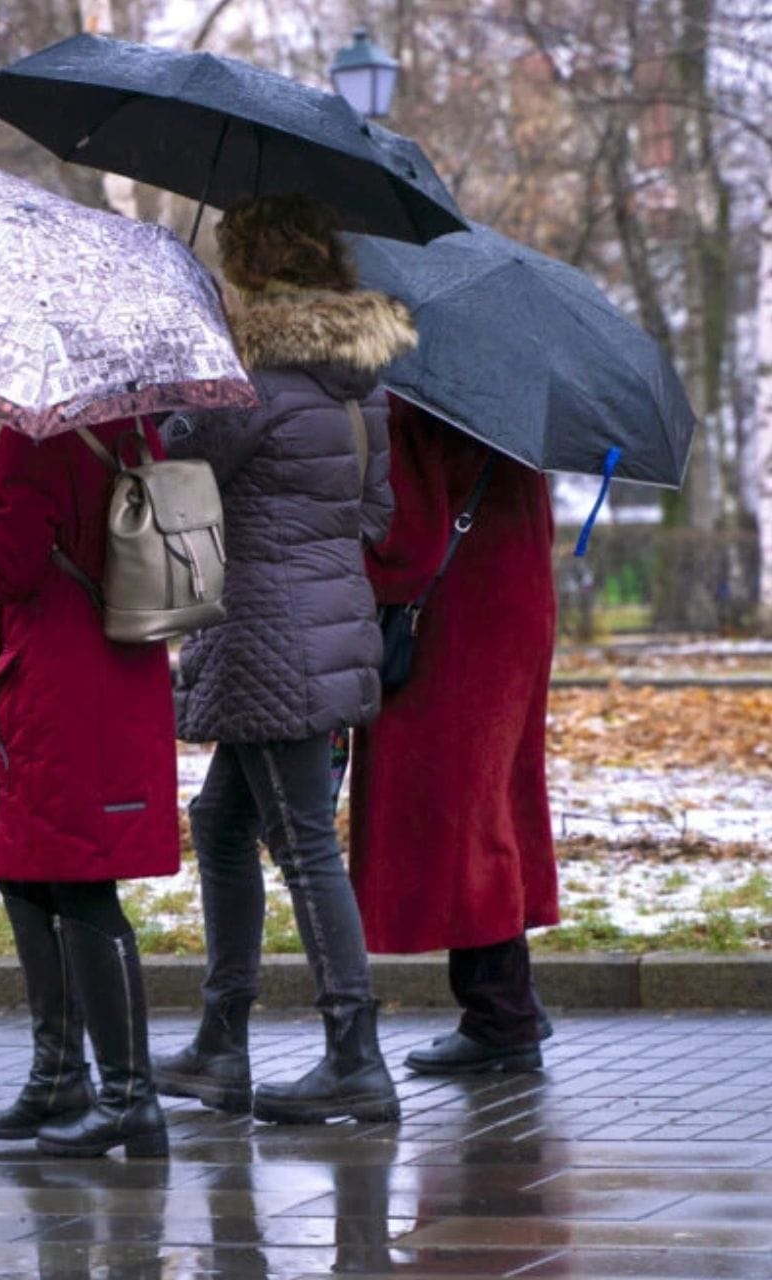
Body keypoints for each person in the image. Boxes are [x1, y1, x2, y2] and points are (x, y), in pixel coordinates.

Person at [153, 193, 417, 1124]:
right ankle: (222, 1044)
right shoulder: (363, 387)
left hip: (265, 633)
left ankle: (355, 1054)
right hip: (329, 625)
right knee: (224, 824)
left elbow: (175, 468)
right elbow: (374, 520)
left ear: (255, 270)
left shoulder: (251, 382)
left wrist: (182, 369)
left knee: (303, 845)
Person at [0, 416, 179, 1157]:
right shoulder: (135, 422)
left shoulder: (33, 437)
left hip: (64, 686)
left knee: (77, 881)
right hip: (109, 673)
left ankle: (129, 1095)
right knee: (23, 869)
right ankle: (59, 1075)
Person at [349, 396, 559, 1074]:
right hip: (512, 601)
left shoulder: (423, 405)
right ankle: (505, 1000)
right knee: (493, 804)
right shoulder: (512, 406)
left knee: (458, 817)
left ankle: (502, 1015)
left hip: (451, 627)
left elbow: (407, 549)